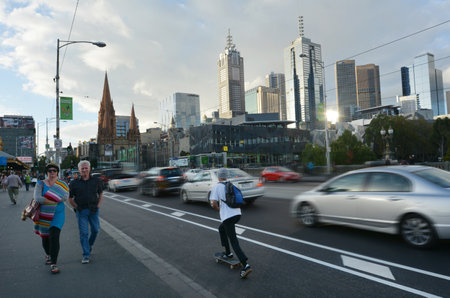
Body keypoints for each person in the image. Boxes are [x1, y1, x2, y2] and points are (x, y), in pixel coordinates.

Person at [210, 168, 252, 278]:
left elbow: (213, 204)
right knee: (221, 229)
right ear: (226, 176)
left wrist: (220, 210)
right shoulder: (231, 185)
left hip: (228, 217)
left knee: (234, 241)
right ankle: (228, 253)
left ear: (219, 176)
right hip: (237, 214)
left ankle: (246, 265)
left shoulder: (217, 186)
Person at [33, 163, 70, 274]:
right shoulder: (40, 184)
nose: (52, 172)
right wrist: (53, 201)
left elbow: (65, 197)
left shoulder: (62, 184)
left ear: (57, 172)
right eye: (50, 170)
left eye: (54, 170)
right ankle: (48, 254)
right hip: (43, 215)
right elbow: (37, 198)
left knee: (54, 237)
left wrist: (48, 200)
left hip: (57, 215)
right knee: (45, 238)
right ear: (47, 172)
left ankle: (54, 263)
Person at [68, 160, 103, 264]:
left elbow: (101, 194)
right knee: (83, 233)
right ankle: (86, 255)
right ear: (79, 170)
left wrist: (98, 205)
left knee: (96, 230)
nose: (84, 170)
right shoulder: (74, 183)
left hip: (93, 209)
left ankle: (89, 244)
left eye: (86, 168)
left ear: (89, 168)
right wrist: (77, 207)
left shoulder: (96, 180)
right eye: (82, 168)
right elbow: (70, 198)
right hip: (81, 211)